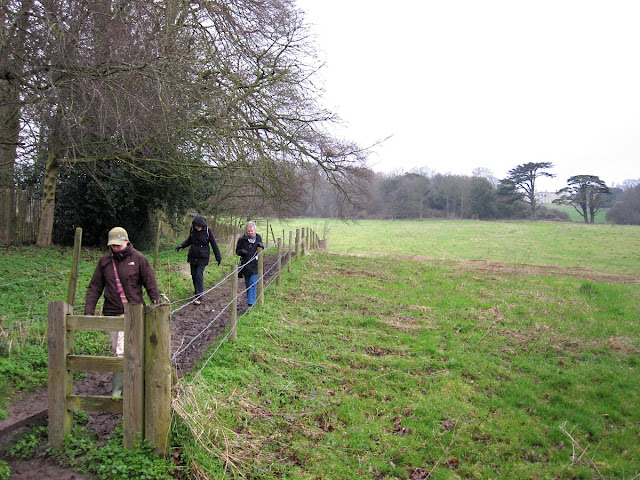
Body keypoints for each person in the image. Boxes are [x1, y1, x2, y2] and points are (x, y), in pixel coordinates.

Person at [84, 227, 160, 397]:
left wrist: (156, 304)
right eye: (113, 245)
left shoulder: (139, 259)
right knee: (118, 350)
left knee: (121, 352)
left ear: (127, 241)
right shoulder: (104, 262)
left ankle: (118, 393)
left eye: (118, 244)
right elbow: (95, 286)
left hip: (133, 312)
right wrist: (89, 311)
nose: (116, 248)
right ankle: (132, 381)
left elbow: (150, 283)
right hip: (111, 312)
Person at [176, 215, 222, 305]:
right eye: (195, 226)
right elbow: (189, 240)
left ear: (201, 225)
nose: (196, 227)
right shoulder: (192, 230)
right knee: (193, 275)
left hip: (203, 257)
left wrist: (218, 257)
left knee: (198, 275)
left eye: (198, 226)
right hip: (193, 255)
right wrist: (181, 245)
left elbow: (214, 244)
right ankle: (197, 293)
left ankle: (199, 297)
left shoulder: (208, 231)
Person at [235, 221, 263, 307]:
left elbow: (262, 249)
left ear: (255, 230)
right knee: (248, 285)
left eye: (252, 231)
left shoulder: (258, 237)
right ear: (246, 231)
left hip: (255, 265)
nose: (250, 233)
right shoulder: (242, 240)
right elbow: (237, 251)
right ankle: (250, 300)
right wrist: (241, 252)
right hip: (245, 265)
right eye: (249, 231)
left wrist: (261, 245)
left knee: (252, 283)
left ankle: (251, 303)